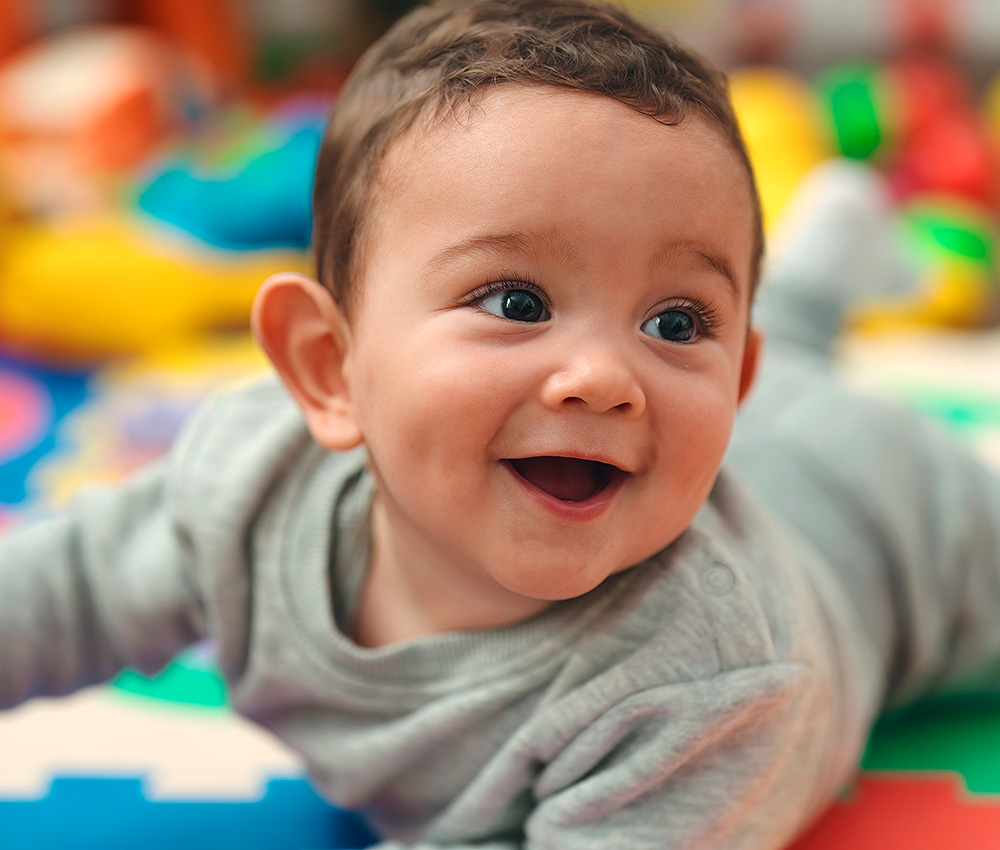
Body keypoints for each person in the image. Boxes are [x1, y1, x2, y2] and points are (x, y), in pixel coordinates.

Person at [4, 1, 1000, 847]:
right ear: (327, 366)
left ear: (732, 383)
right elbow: (61, 591)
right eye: (516, 301)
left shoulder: (710, 675)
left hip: (889, 515)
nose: (606, 377)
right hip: (792, 438)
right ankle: (819, 271)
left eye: (677, 321)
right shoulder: (247, 482)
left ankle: (808, 289)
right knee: (799, 366)